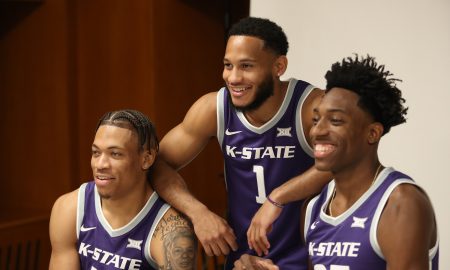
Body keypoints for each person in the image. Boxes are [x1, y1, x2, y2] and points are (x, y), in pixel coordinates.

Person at [150, 17, 331, 269]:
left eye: (246, 66)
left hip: (310, 259)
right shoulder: (213, 108)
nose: (233, 77)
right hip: (243, 261)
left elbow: (343, 161)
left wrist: (278, 197)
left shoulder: (311, 106)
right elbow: (156, 163)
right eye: (227, 65)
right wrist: (198, 212)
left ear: (279, 66)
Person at [233, 55, 440, 269]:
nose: (318, 131)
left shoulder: (400, 202)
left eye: (336, 121)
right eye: (316, 120)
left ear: (372, 133)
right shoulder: (314, 208)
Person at [49, 109, 197, 270]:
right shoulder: (69, 208)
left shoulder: (170, 231)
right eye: (96, 153)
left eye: (115, 154)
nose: (100, 165)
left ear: (146, 159)